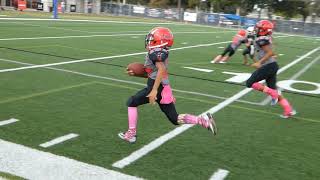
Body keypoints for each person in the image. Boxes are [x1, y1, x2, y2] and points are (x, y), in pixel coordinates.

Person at [119, 27, 217, 143]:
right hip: (164, 89)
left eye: (152, 39)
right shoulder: (158, 52)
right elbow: (155, 73)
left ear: (160, 41)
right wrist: (137, 74)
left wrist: (154, 91)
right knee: (175, 119)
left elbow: (160, 70)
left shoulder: (155, 52)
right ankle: (202, 120)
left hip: (158, 88)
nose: (149, 41)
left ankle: (131, 133)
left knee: (132, 102)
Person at [246, 20, 296, 118]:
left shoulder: (262, 39)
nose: (257, 29)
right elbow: (271, 49)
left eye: (259, 28)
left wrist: (259, 62)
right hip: (272, 65)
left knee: (250, 83)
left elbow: (270, 52)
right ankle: (288, 109)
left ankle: (273, 94)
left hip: (268, 66)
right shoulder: (266, 37)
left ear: (263, 30)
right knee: (274, 90)